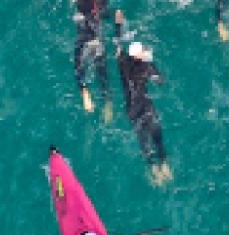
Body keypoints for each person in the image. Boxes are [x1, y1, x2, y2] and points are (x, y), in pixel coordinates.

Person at [113, 10, 172, 186]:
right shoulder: (147, 67)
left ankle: (153, 169)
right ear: (139, 56)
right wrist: (154, 68)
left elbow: (116, 45)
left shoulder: (122, 62)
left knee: (143, 140)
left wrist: (118, 25)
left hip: (131, 109)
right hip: (146, 105)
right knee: (156, 134)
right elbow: (161, 81)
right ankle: (164, 164)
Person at [74, 0, 112, 121]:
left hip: (83, 42)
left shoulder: (80, 5)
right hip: (96, 43)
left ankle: (84, 91)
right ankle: (107, 101)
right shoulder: (101, 3)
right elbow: (106, 15)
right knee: (102, 74)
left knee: (79, 65)